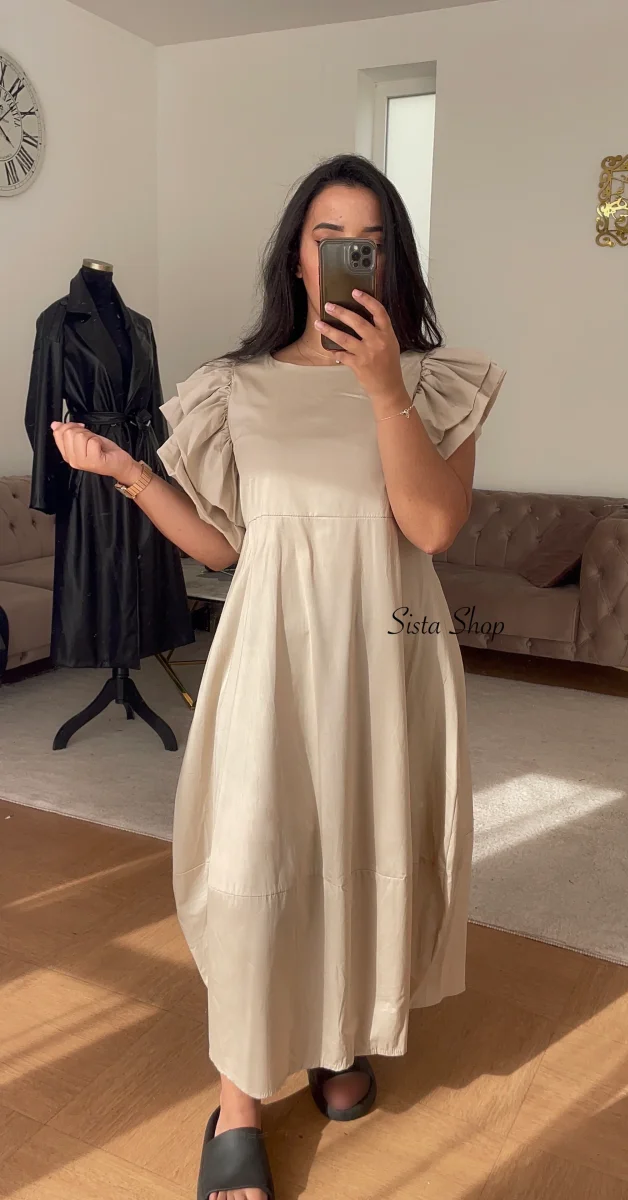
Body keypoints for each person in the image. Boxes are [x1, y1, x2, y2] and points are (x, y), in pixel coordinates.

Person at [50, 153, 505, 1200]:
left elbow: (432, 526)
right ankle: (240, 1100)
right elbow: (224, 548)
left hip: (387, 658)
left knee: (360, 844)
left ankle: (339, 1038)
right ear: (296, 256)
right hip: (270, 658)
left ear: (390, 261)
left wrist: (383, 390)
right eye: (327, 237)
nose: (347, 256)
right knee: (260, 856)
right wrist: (127, 474)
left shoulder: (434, 381)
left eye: (368, 242)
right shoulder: (235, 387)